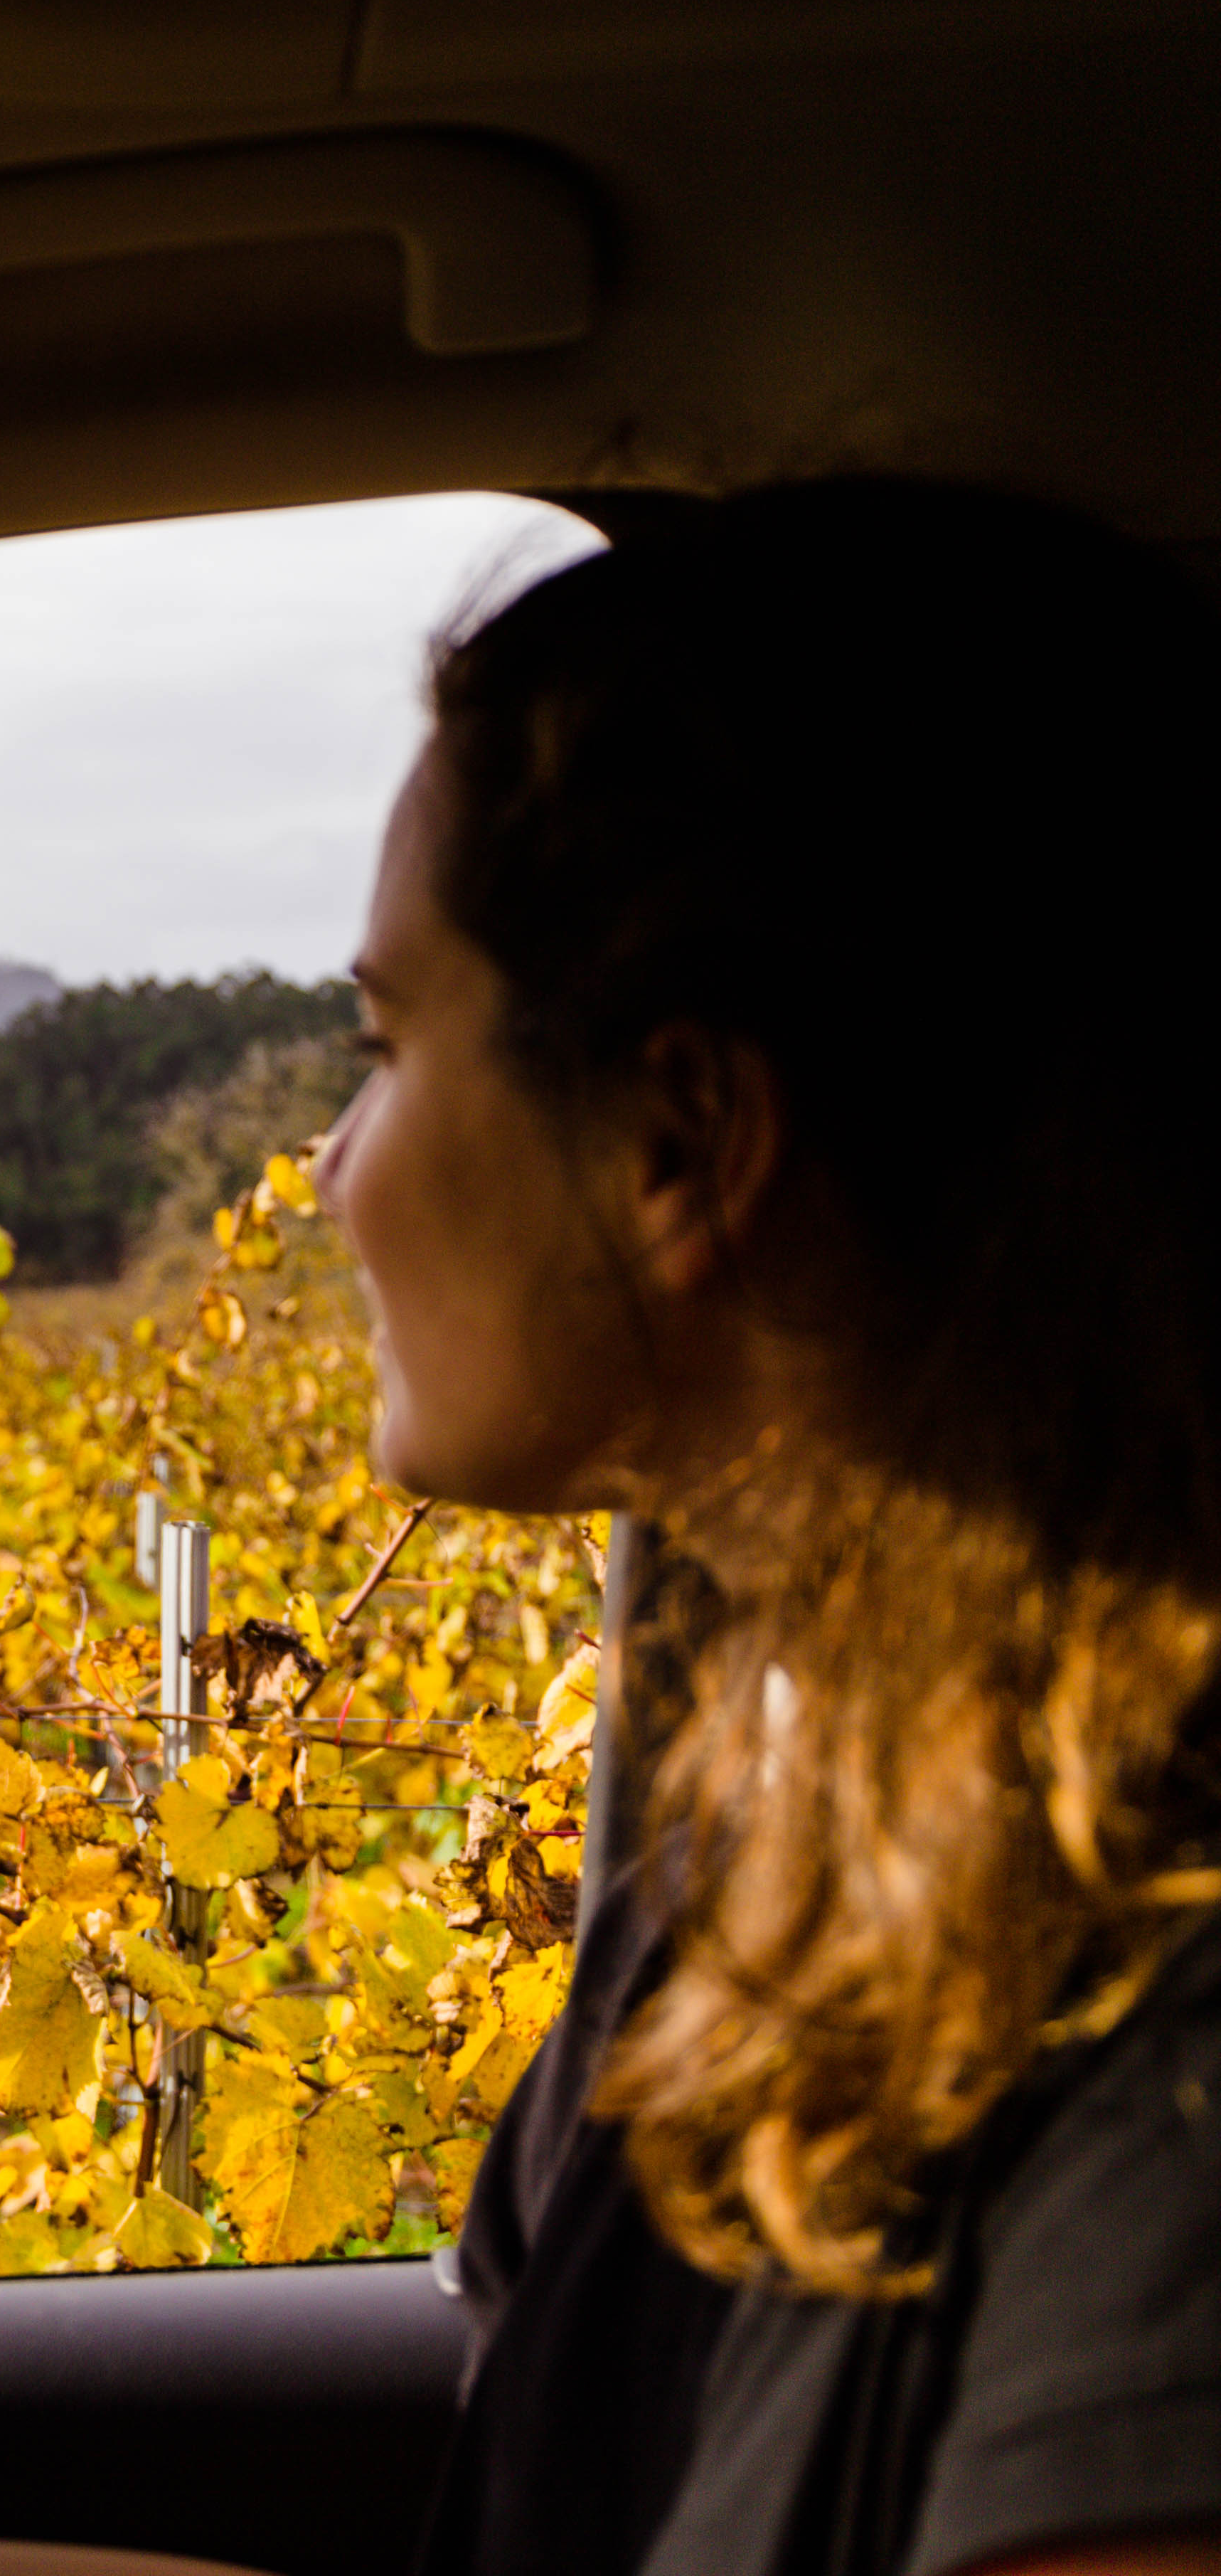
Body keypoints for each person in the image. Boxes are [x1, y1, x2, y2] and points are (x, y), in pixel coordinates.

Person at [314, 477, 1221, 2576]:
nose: (337, 1167)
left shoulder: (1162, 2054)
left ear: (679, 1140)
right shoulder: (769, 1845)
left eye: (384, 1044)